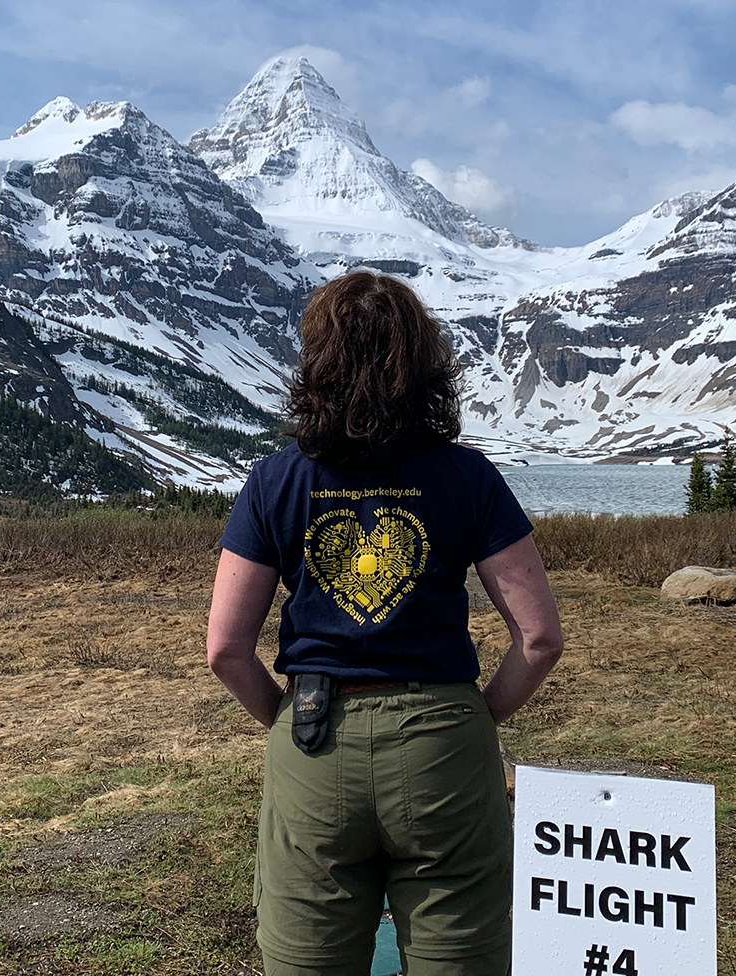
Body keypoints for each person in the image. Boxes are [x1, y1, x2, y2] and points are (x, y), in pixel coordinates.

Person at [207, 271, 563, 976]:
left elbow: (225, 648)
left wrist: (283, 719)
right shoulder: (468, 477)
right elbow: (541, 637)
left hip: (313, 738)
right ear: (423, 362)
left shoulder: (276, 480)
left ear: (318, 362)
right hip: (445, 744)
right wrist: (474, 714)